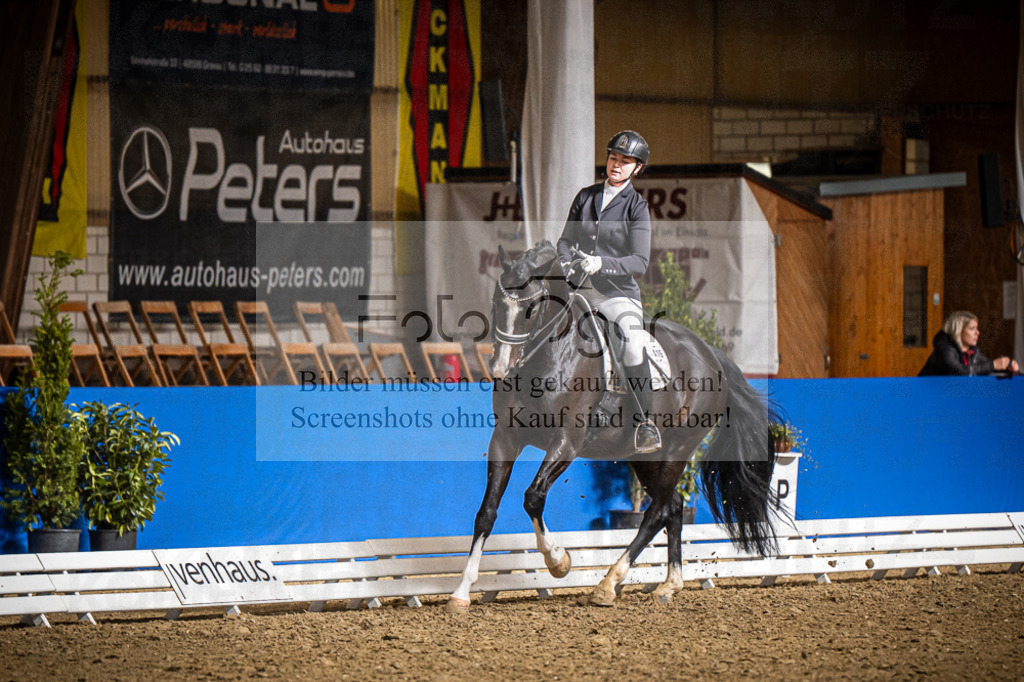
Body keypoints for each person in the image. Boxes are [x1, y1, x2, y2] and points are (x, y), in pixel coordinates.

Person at [556, 130, 661, 453]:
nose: (616, 164)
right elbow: (565, 241)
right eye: (613, 157)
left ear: (637, 168)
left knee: (631, 342)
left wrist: (602, 263)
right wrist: (565, 262)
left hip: (616, 293)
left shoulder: (637, 207)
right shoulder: (586, 197)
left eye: (625, 161)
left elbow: (639, 262)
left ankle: (645, 423)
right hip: (578, 288)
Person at [918, 310, 1019, 376]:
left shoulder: (971, 351)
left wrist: (1007, 368)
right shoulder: (945, 349)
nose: (978, 333)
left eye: (977, 328)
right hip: (926, 396)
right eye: (972, 329)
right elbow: (960, 372)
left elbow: (985, 367)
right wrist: (993, 365)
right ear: (958, 331)